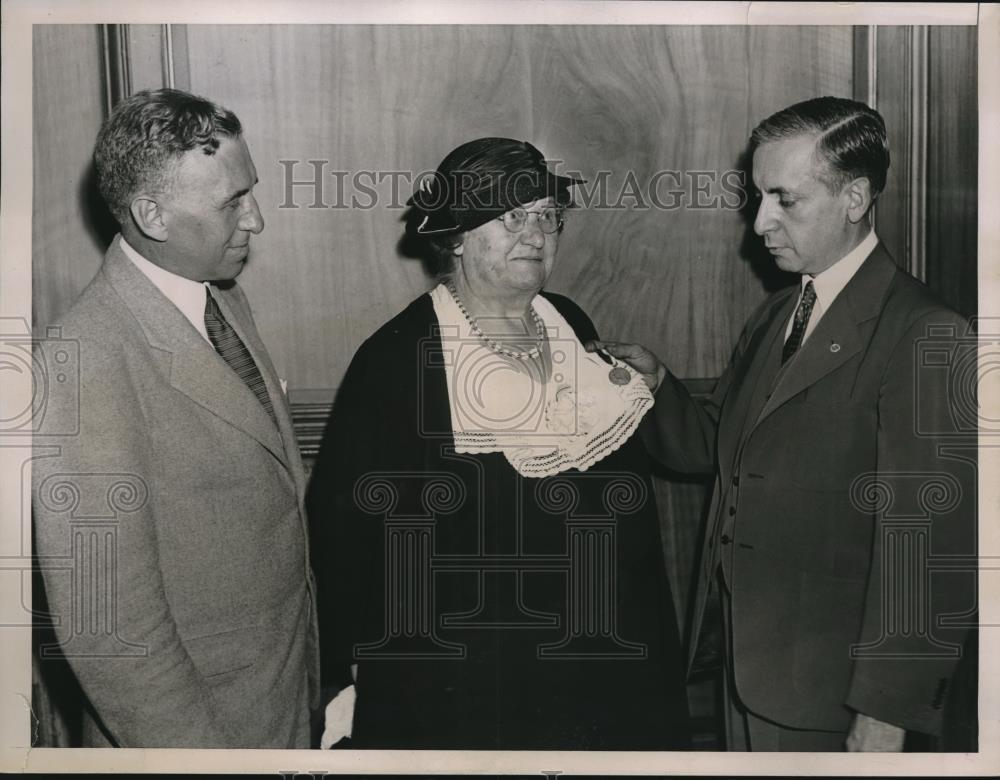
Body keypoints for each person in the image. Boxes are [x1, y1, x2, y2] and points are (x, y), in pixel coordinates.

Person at [591, 96, 976, 751]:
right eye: (758, 196)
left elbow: (929, 552)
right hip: (746, 675)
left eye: (785, 199)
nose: (760, 222)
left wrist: (885, 716)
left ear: (854, 198)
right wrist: (658, 388)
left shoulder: (926, 332)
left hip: (838, 700)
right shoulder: (778, 315)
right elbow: (725, 448)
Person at [307, 138, 691, 750]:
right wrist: (354, 678)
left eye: (545, 215)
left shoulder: (569, 321)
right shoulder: (398, 359)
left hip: (603, 658)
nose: (534, 234)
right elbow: (348, 540)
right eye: (509, 216)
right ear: (455, 235)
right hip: (476, 679)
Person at [32, 88, 319, 748]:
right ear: (151, 215)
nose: (257, 221)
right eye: (232, 203)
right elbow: (111, 633)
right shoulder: (84, 363)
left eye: (251, 191)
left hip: (275, 702)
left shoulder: (222, 297)